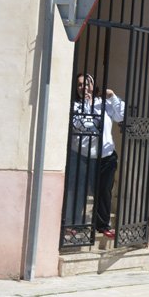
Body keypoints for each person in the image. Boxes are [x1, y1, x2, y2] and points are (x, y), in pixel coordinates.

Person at [64, 73, 125, 239]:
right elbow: (79, 124)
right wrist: (86, 105)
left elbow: (121, 116)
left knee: (104, 191)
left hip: (106, 156)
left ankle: (102, 225)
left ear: (94, 85)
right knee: (78, 189)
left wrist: (112, 96)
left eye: (87, 83)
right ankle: (73, 223)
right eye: (80, 85)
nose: (83, 87)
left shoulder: (103, 103)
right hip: (82, 155)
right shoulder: (75, 105)